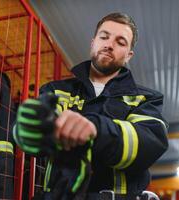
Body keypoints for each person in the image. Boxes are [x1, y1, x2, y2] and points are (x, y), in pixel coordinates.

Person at [14, 12, 168, 200]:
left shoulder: (146, 98)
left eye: (120, 42)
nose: (109, 45)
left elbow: (148, 144)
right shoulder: (55, 91)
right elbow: (31, 143)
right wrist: (31, 129)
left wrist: (96, 129)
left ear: (129, 55)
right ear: (93, 42)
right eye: (104, 37)